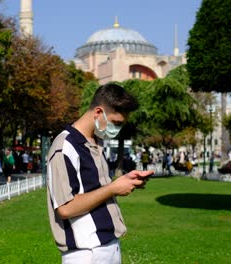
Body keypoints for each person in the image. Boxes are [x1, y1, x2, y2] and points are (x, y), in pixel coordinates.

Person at [46, 83, 154, 263]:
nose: (117, 129)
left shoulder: (97, 142)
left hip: (108, 246)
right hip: (86, 253)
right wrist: (112, 189)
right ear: (98, 112)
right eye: (116, 123)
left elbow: (97, 189)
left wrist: (124, 181)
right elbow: (65, 208)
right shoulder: (64, 147)